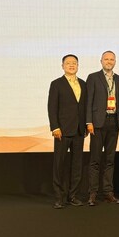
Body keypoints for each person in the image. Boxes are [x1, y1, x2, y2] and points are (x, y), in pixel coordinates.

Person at [47, 54, 88, 209]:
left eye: (74, 63)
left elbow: (84, 107)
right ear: (62, 66)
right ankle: (59, 197)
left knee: (77, 165)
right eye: (68, 63)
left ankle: (73, 196)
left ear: (78, 66)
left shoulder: (83, 84)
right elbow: (52, 107)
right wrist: (55, 127)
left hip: (79, 130)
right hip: (62, 131)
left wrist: (85, 126)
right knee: (59, 164)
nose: (71, 65)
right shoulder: (56, 84)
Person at [85, 51, 119, 206]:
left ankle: (108, 192)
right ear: (101, 61)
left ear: (115, 61)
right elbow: (89, 101)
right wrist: (89, 122)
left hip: (113, 122)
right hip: (97, 124)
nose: (109, 61)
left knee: (110, 159)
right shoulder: (93, 77)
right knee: (95, 159)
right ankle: (92, 193)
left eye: (111, 59)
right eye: (106, 59)